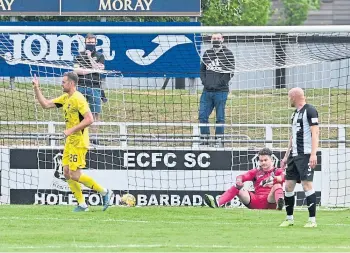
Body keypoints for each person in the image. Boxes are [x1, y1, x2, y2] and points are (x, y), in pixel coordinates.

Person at [32, 71, 113, 212]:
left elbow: (90, 119)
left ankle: (105, 192)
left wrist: (70, 130)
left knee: (75, 174)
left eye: (63, 82)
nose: (61, 84)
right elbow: (45, 104)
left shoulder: (78, 99)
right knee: (66, 172)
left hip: (79, 141)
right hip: (70, 141)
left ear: (71, 83)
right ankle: (82, 204)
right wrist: (36, 87)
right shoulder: (66, 98)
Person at [279, 87, 319, 228]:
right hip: (294, 155)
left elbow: (315, 133)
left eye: (289, 97)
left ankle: (312, 220)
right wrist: (285, 156)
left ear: (295, 97)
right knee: (288, 186)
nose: (289, 99)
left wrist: (313, 153)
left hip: (306, 154)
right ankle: (289, 218)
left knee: (306, 184)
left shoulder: (310, 110)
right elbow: (293, 137)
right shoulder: (294, 114)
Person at [204, 148, 285, 210]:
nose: (263, 162)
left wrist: (273, 179)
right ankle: (217, 204)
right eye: (261, 160)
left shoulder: (278, 171)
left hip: (270, 201)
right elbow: (241, 177)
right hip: (256, 201)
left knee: (277, 186)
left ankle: (279, 205)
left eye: (265, 160)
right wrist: (239, 181)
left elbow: (284, 177)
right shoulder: (256, 172)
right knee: (237, 187)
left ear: (272, 160)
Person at [199, 33, 235, 147]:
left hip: (221, 91)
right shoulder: (207, 53)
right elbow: (202, 70)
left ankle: (219, 139)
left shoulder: (228, 54)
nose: (216, 40)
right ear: (211, 40)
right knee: (202, 115)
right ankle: (204, 139)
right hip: (207, 91)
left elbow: (230, 72)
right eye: (214, 38)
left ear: (222, 39)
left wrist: (218, 84)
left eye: (218, 38)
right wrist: (206, 82)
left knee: (220, 117)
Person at [74, 33, 106, 145]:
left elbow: (99, 69)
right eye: (88, 42)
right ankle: (79, 136)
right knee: (80, 113)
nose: (90, 44)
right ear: (85, 43)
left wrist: (89, 58)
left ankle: (95, 138)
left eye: (92, 42)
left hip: (95, 87)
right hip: (81, 86)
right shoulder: (79, 55)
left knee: (95, 113)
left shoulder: (100, 55)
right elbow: (77, 71)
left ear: (95, 43)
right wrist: (93, 69)